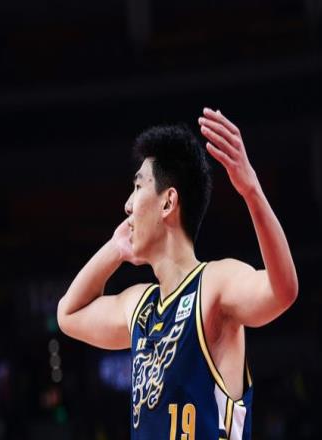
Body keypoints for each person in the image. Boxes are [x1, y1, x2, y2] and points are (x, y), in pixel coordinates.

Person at [57, 108, 298, 439]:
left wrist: (252, 192)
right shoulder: (140, 307)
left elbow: (283, 290)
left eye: (138, 187)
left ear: (168, 203)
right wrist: (115, 249)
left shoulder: (213, 285)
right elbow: (68, 314)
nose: (128, 205)